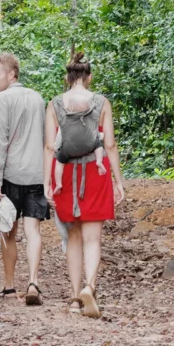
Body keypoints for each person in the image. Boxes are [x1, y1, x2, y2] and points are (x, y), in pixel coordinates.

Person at [45, 53, 126, 318]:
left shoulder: (54, 104)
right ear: (89, 77)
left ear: (67, 78)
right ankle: (90, 287)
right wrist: (118, 181)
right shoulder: (102, 102)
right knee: (93, 237)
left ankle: (74, 297)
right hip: (95, 170)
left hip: (65, 173)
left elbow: (49, 146)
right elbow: (110, 145)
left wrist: (48, 181)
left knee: (74, 237)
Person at [0, 53, 50, 306]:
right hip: (37, 173)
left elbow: (0, 141)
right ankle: (34, 281)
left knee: (8, 231)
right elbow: (47, 138)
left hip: (12, 174)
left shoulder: (3, 99)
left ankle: (10, 286)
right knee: (32, 230)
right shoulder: (37, 97)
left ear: (11, 74)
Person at [51, 96, 107, 195]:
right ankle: (99, 161)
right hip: (89, 146)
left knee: (59, 163)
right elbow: (93, 133)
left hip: (69, 150)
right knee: (98, 145)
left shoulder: (65, 119)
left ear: (71, 108)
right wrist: (100, 136)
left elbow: (60, 136)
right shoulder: (90, 119)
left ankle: (59, 183)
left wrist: (56, 147)